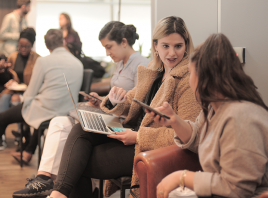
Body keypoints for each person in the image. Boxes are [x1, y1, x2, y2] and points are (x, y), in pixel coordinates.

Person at [46, 16, 202, 198]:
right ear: (156, 46)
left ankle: (58, 195)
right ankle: (59, 194)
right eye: (166, 46)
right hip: (132, 134)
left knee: (77, 163)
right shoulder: (154, 71)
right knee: (80, 130)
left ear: (186, 45)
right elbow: (131, 100)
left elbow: (187, 134)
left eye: (178, 46)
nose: (172, 53)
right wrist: (114, 100)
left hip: (149, 147)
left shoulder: (188, 80)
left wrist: (138, 136)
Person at [153, 33, 268, 198]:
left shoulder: (241, 116)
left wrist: (181, 177)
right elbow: (202, 140)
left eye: (190, 73)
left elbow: (237, 188)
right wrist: (175, 121)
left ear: (204, 77)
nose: (190, 80)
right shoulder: (213, 109)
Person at [12, 21, 150, 198]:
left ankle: (54, 187)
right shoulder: (121, 63)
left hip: (122, 126)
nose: (107, 53)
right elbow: (119, 98)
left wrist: (111, 104)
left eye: (109, 47)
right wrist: (101, 100)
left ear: (124, 42)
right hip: (112, 117)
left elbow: (135, 105)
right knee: (58, 122)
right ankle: (44, 177)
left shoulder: (142, 66)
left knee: (71, 140)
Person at [0, 29, 84, 163]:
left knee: (4, 117)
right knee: (36, 111)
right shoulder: (78, 63)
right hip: (68, 111)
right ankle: (27, 152)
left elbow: (31, 92)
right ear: (63, 41)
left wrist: (22, 100)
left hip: (47, 109)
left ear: (47, 45)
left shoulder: (43, 61)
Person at [0, 27, 41, 151]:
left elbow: (38, 81)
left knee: (16, 100)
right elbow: (5, 78)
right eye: (20, 46)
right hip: (13, 89)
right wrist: (2, 71)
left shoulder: (37, 59)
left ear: (32, 45)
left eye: (27, 46)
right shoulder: (13, 56)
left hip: (29, 91)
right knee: (4, 97)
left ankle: (21, 134)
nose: (23, 49)